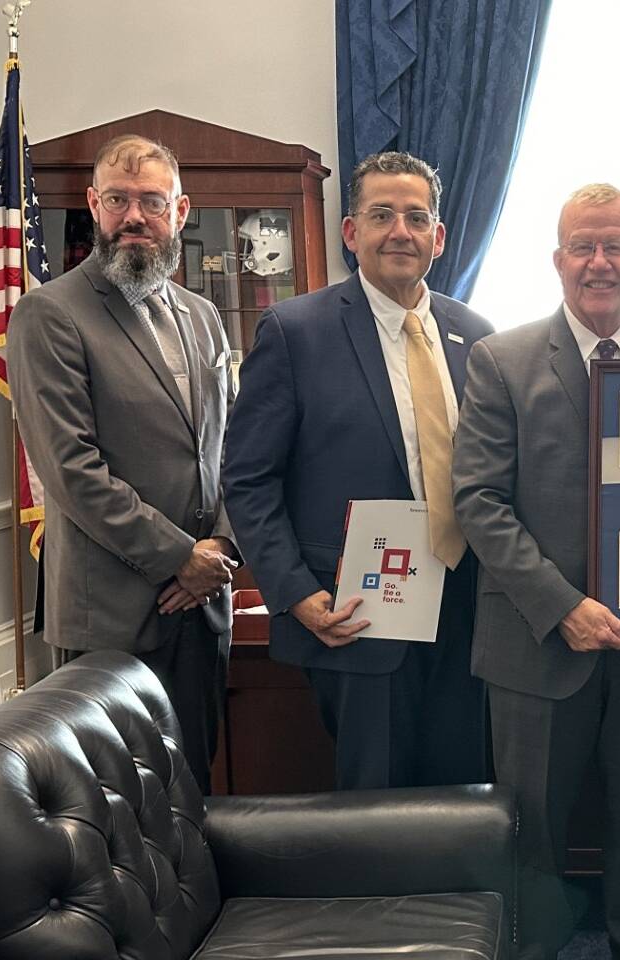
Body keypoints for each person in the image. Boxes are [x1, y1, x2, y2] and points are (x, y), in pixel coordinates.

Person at [453, 184, 620, 960]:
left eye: (615, 246)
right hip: (537, 644)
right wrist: (562, 606)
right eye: (583, 247)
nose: (600, 262)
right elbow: (479, 501)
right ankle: (530, 948)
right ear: (558, 260)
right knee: (532, 828)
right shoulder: (502, 360)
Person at [222, 151, 493, 790]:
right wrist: (293, 593)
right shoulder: (295, 331)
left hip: (469, 613)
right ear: (352, 232)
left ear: (439, 236)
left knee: (466, 795)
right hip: (356, 613)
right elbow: (247, 478)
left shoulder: (475, 335)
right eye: (381, 215)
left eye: (416, 217)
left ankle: (456, 899)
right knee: (377, 804)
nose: (401, 230)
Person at [8, 135, 239, 793]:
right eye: (117, 199)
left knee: (193, 788)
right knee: (120, 813)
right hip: (111, 618)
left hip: (202, 607)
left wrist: (217, 548)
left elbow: (233, 449)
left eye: (151, 201)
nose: (134, 216)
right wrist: (180, 557)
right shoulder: (49, 314)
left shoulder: (203, 317)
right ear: (93, 205)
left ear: (181, 211)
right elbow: (72, 471)